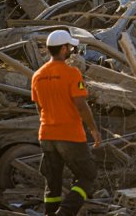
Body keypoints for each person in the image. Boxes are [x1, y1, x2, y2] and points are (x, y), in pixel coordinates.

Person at [31, 30, 101, 216]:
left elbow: (39, 107)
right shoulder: (72, 73)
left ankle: (50, 213)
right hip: (69, 135)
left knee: (52, 182)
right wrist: (93, 129)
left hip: (46, 134)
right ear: (63, 49)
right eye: (70, 47)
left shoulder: (37, 75)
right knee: (87, 176)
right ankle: (65, 213)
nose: (71, 50)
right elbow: (80, 104)